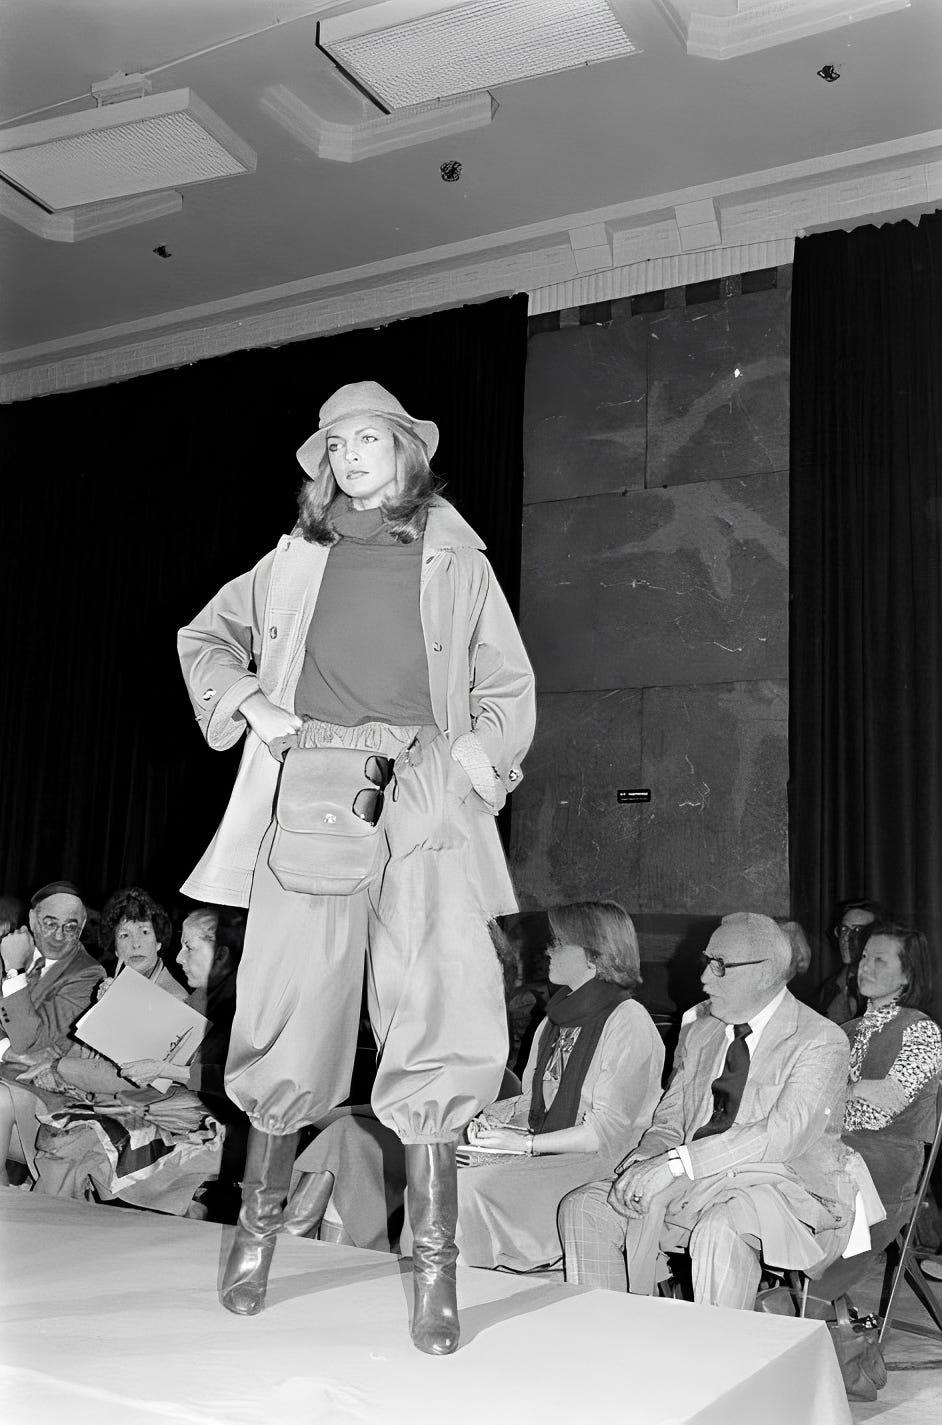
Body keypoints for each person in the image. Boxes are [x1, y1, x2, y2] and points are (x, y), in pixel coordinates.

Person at [177, 380, 535, 1353]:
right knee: (290, 1006)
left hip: (424, 783)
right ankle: (255, 1235)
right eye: (335, 445)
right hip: (319, 784)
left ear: (408, 452)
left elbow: (507, 678)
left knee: (441, 1004)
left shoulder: (457, 554)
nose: (350, 455)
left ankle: (435, 1270)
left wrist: (483, 753)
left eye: (368, 438)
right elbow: (206, 640)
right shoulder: (295, 564)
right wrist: (254, 704)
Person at [284, 901, 664, 1272]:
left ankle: (449, 1297)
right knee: (393, 1152)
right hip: (534, 1144)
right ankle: (331, 1267)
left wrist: (524, 1143)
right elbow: (530, 1101)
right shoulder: (554, 1021)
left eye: (558, 943)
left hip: (590, 1164)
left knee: (450, 1189)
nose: (546, 951)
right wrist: (491, 1123)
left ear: (593, 957)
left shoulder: (628, 1021)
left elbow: (607, 1134)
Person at [559, 912, 858, 1308]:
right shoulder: (702, 1031)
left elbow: (783, 1135)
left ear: (766, 973)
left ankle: (719, 1359)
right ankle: (609, 1340)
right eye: (706, 962)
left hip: (783, 1182)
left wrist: (677, 1164)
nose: (703, 978)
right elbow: (670, 1120)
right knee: (586, 1206)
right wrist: (645, 1162)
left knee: (719, 1229)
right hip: (693, 1177)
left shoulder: (820, 1039)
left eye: (720, 966)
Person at [27, 890, 229, 1215]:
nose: (135, 944)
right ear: (115, 945)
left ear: (161, 941)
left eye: (144, 933)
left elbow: (136, 1080)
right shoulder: (115, 986)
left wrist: (61, 1068)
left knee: (67, 1141)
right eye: (125, 934)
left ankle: (40, 1225)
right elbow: (79, 1048)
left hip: (156, 1113)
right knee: (58, 1137)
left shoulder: (174, 999)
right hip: (108, 1103)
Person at [812, 923, 941, 1301]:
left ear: (908, 973)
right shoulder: (845, 1031)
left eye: (879, 960)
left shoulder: (921, 1030)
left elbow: (880, 1108)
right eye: (864, 957)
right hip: (833, 1154)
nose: (864, 967)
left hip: (884, 1166)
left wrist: (835, 1098)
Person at [0, 881, 104, 1184]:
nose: (59, 936)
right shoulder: (10, 945)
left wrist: (13, 971)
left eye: (70, 927)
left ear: (83, 927)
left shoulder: (88, 974)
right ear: (33, 919)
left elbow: (28, 1041)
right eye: (50, 924)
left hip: (38, 1090)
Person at [818, 899, 884, 1025]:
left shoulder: (885, 989)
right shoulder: (829, 987)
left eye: (858, 931)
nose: (846, 938)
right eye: (843, 929)